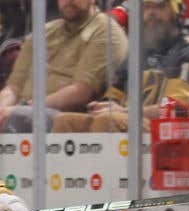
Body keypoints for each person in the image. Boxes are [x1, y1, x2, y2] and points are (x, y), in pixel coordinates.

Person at [52, 0, 189, 133]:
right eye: (146, 7)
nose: (151, 13)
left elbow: (177, 109)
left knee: (108, 120)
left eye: (159, 7)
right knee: (65, 121)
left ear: (176, 12)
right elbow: (112, 98)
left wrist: (124, 112)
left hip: (167, 129)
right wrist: (99, 106)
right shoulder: (136, 54)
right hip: (126, 119)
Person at [0, 0, 128, 132]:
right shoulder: (42, 32)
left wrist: (23, 108)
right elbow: (13, 88)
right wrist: (3, 108)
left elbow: (82, 92)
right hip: (21, 113)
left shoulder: (106, 31)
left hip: (67, 118)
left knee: (18, 120)